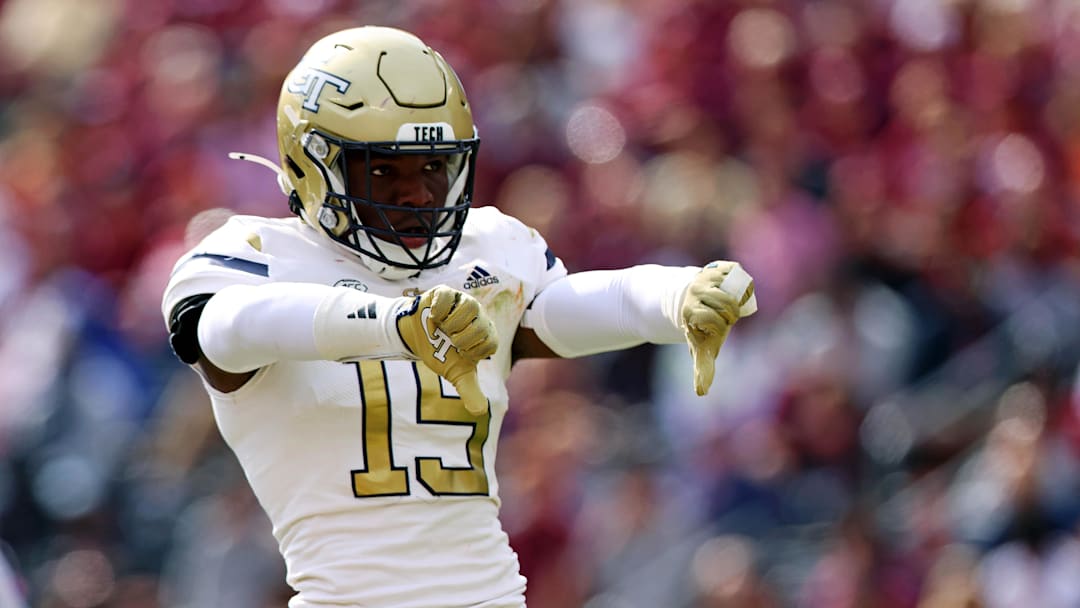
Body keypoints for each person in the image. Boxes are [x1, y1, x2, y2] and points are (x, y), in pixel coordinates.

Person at [161, 25, 756, 608]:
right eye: (384, 170)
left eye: (432, 167)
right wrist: (393, 325)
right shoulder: (257, 258)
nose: (419, 194)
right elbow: (228, 328)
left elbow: (565, 309)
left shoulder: (486, 250)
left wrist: (675, 294)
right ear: (314, 167)